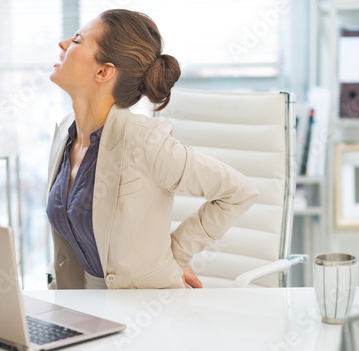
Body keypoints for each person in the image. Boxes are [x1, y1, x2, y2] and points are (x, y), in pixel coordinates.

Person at [46, 9, 258, 289]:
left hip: (148, 309)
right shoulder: (64, 134)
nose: (62, 44)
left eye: (76, 41)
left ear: (103, 71)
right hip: (86, 306)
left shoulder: (143, 141)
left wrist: (177, 253)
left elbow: (238, 191)